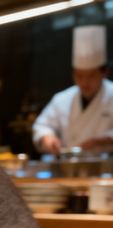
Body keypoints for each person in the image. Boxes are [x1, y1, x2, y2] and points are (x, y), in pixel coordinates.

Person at [32, 24, 113, 155]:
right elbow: (41, 125)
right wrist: (47, 137)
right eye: (79, 76)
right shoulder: (62, 99)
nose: (85, 83)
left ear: (104, 72)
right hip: (69, 167)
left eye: (91, 76)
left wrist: (105, 140)